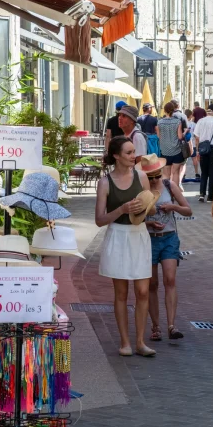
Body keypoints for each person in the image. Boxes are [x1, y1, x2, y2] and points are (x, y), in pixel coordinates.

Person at [95, 136, 156, 357]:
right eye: (129, 153)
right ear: (116, 156)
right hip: (118, 236)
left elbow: (151, 209)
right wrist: (122, 209)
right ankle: (125, 342)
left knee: (142, 291)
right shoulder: (105, 183)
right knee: (121, 293)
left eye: (134, 152)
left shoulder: (142, 176)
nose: (134, 156)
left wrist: (146, 206)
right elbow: (100, 219)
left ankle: (140, 341)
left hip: (139, 235)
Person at [140, 154, 193, 341]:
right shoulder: (141, 190)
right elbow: (134, 220)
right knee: (152, 284)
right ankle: (156, 326)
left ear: (161, 172)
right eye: (150, 177)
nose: (154, 180)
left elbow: (188, 210)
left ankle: (171, 325)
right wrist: (149, 224)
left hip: (169, 238)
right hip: (149, 240)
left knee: (170, 280)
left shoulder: (170, 186)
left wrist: (173, 207)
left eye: (156, 176)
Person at [193, 103, 213, 203]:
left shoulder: (200, 121)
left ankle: (202, 194)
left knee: (204, 173)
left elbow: (197, 138)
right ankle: (210, 196)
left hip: (203, 149)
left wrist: (198, 151)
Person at [156, 101, 185, 186]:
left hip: (165, 151)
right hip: (176, 150)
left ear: (164, 111)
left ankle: (167, 192)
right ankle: (175, 193)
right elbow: (180, 137)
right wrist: (185, 132)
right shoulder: (177, 122)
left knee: (165, 174)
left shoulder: (159, 122)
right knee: (176, 173)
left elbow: (159, 136)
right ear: (173, 111)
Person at [183, 109, 200, 181]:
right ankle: (196, 173)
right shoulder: (193, 124)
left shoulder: (182, 123)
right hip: (192, 144)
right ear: (190, 115)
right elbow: (197, 136)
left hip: (184, 144)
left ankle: (183, 174)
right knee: (194, 159)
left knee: (184, 161)